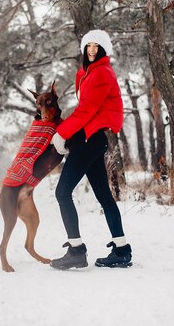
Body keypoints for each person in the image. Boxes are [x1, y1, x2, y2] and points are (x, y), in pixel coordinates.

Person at [49, 29, 132, 270]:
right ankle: (122, 250)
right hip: (91, 139)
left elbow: (86, 111)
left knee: (62, 193)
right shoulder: (88, 74)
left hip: (90, 141)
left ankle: (76, 251)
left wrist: (61, 134)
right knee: (104, 196)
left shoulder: (101, 74)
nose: (92, 49)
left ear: (104, 49)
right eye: (89, 46)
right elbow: (86, 111)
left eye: (97, 46)